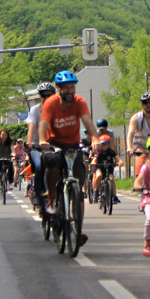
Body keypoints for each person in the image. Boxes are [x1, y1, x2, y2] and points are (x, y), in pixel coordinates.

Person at [38, 70, 99, 247]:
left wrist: (94, 138)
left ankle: (77, 228)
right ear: (59, 89)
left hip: (73, 145)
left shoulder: (80, 102)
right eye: (66, 88)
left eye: (72, 87)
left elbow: (88, 122)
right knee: (54, 163)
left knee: (78, 189)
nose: (70, 91)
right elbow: (43, 125)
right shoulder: (51, 103)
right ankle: (50, 196)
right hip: (53, 144)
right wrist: (42, 140)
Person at [26, 82, 55, 208]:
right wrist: (29, 142)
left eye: (49, 95)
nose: (47, 98)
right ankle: (38, 193)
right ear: (40, 96)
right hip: (37, 146)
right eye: (44, 95)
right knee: (39, 165)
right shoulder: (35, 110)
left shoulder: (58, 108)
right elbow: (31, 127)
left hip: (53, 145)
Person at [127, 92, 150, 179]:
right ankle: (140, 184)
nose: (148, 105)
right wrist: (130, 147)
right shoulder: (136, 118)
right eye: (145, 103)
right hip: (141, 148)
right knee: (140, 171)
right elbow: (130, 133)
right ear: (142, 104)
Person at [91, 134, 122, 204]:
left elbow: (117, 157)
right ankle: (96, 191)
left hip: (109, 167)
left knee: (111, 179)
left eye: (106, 144)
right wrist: (93, 162)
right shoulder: (98, 152)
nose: (104, 146)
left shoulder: (111, 152)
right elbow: (95, 159)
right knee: (99, 175)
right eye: (102, 144)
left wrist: (120, 161)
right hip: (99, 167)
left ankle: (114, 196)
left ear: (109, 144)